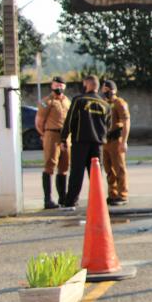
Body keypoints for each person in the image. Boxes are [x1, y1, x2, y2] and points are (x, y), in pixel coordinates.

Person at [59, 75, 110, 208]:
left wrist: (63, 138)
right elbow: (108, 125)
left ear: (87, 84)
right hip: (98, 144)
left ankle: (71, 202)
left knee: (77, 173)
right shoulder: (105, 104)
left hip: (80, 142)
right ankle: (98, 203)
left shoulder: (79, 100)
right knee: (96, 175)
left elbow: (70, 120)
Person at [35, 76, 70, 209]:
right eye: (56, 85)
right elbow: (39, 122)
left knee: (64, 166)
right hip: (52, 134)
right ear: (52, 86)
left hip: (65, 136)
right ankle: (48, 199)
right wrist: (45, 135)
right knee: (50, 166)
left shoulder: (67, 101)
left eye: (61, 85)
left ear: (64, 86)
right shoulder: (47, 102)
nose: (58, 87)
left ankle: (63, 197)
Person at [101, 80, 130, 206]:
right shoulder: (103, 103)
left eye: (109, 90)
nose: (107, 92)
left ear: (115, 91)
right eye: (105, 90)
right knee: (108, 169)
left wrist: (124, 141)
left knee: (119, 168)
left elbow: (126, 122)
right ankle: (112, 194)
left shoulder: (120, 103)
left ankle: (122, 194)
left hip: (116, 139)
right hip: (105, 140)